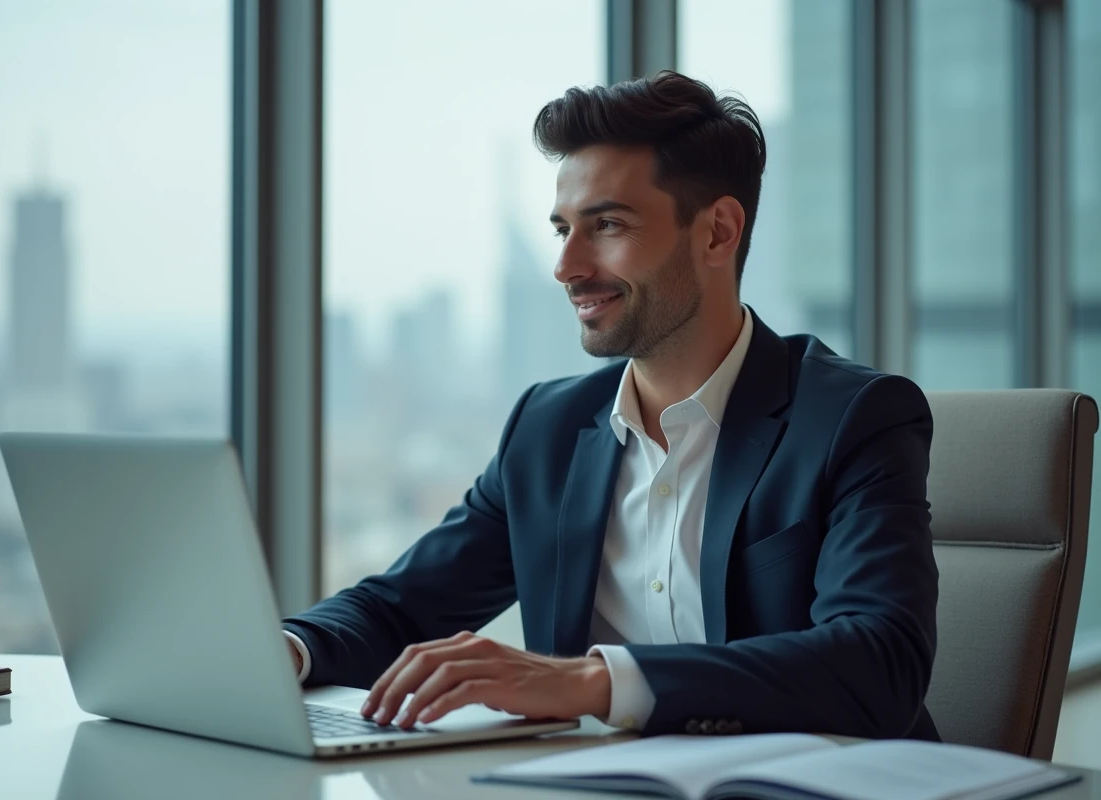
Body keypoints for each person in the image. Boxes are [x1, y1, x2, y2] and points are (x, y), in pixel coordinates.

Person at [281, 70, 940, 741]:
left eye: (607, 225)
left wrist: (592, 682)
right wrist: (286, 651)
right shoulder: (548, 429)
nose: (567, 265)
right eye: (563, 228)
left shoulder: (854, 417)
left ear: (717, 232)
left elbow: (878, 664)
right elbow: (401, 609)